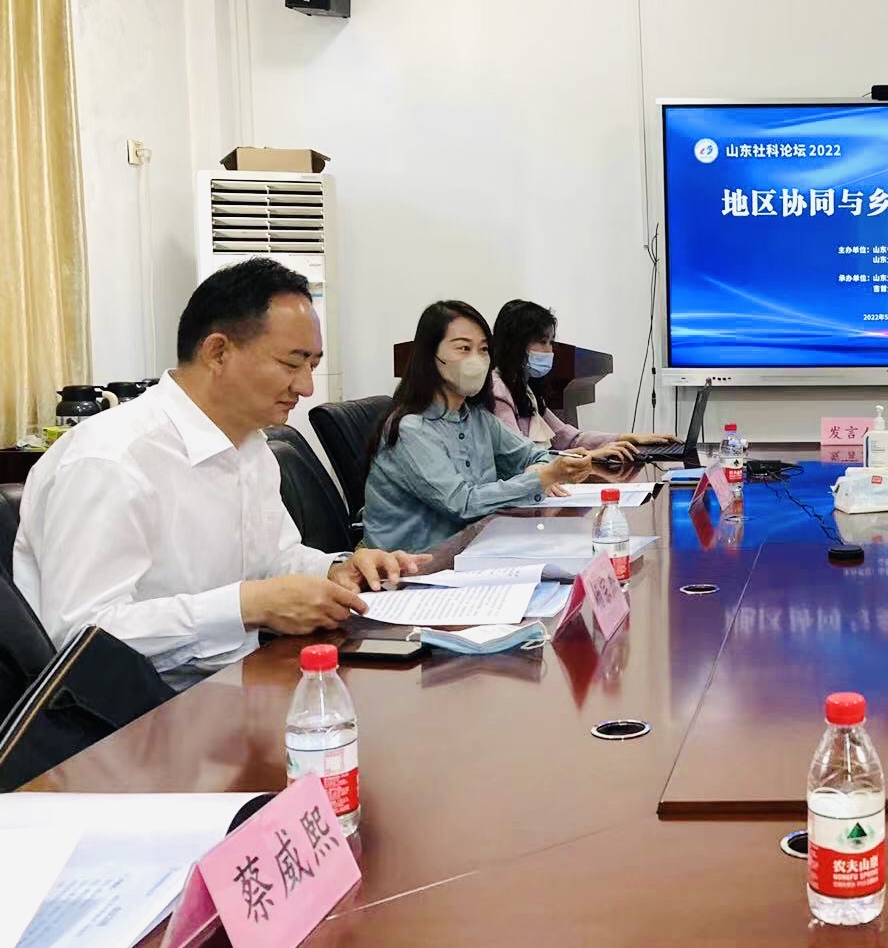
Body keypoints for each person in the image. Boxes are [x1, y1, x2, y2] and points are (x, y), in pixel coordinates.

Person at [14, 259, 426, 690]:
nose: (306, 387)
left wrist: (335, 571)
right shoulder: (111, 459)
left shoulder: (250, 445)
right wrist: (245, 606)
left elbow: (274, 559)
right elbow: (81, 638)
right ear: (218, 353)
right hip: (139, 711)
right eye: (292, 363)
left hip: (237, 682)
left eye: (312, 365)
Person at [364, 300, 593, 553]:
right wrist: (543, 477)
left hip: (474, 548)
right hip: (413, 564)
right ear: (430, 355)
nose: (477, 359)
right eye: (464, 348)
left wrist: (546, 468)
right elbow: (462, 504)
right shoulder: (411, 429)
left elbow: (534, 454)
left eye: (483, 349)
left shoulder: (476, 418)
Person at [488, 299, 675, 465]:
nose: (550, 351)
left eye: (551, 342)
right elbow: (520, 459)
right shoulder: (499, 390)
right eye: (543, 342)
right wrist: (588, 456)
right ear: (515, 344)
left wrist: (629, 437)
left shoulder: (524, 388)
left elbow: (568, 438)